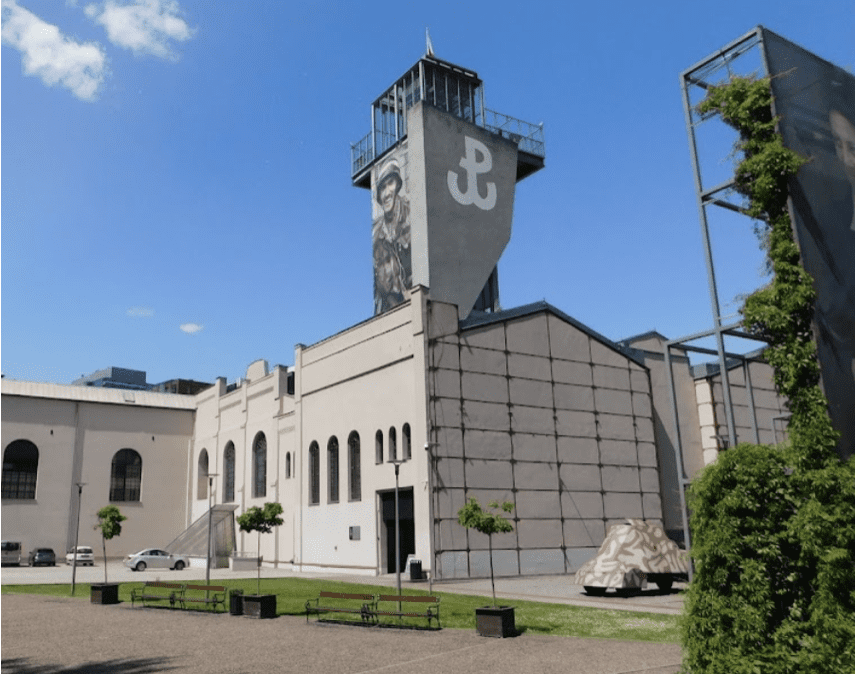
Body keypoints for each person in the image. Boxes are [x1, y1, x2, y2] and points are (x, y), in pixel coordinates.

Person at [372, 157, 412, 313]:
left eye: (390, 184)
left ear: (398, 186)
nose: (386, 193)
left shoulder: (413, 216)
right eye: (382, 188)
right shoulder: (376, 235)